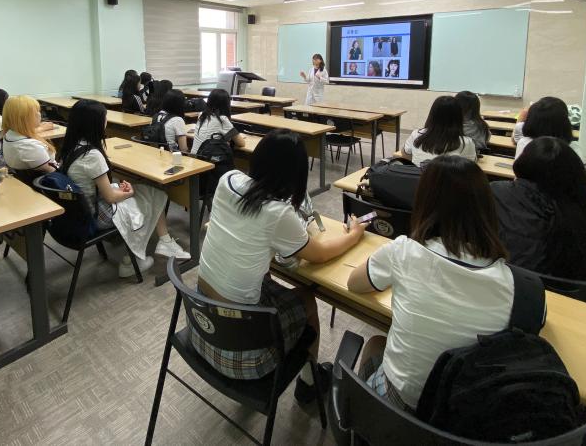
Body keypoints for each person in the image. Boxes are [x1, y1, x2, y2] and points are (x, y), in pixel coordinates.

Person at [194, 130, 368, 401]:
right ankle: (309, 385)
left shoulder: (228, 179)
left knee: (268, 281)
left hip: (203, 327)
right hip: (244, 355)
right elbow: (319, 254)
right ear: (295, 176)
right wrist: (354, 235)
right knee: (308, 298)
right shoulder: (277, 212)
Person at [347, 155, 524, 411]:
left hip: (399, 413)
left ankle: (365, 419)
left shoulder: (404, 252)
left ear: (423, 202)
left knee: (375, 343)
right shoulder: (515, 283)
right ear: (486, 207)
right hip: (463, 419)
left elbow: (354, 283)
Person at [59, 100, 189, 277]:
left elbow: (100, 188)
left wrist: (123, 190)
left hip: (81, 211)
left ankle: (163, 242)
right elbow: (111, 197)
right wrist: (131, 192)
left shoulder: (70, 147)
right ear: (94, 123)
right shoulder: (92, 155)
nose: (106, 121)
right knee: (155, 193)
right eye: (104, 118)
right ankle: (135, 258)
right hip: (96, 215)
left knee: (150, 191)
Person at [492, 137, 586, 280]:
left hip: (504, 286)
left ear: (522, 164)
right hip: (568, 297)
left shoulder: (495, 193)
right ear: (577, 174)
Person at [403, 96, 477, 165]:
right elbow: (470, 166)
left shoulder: (416, 134)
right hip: (448, 178)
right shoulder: (466, 142)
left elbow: (405, 154)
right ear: (459, 117)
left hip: (418, 177)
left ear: (432, 115)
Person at [513, 96, 583, 160]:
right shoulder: (573, 149)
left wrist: (522, 116)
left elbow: (516, 135)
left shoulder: (523, 142)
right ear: (565, 123)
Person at [1, 95, 57, 173]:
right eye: (36, 111)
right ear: (24, 118)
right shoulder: (30, 146)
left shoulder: (10, 133)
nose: (39, 114)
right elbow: (52, 170)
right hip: (47, 179)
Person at [191, 89, 246, 154]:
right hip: (207, 159)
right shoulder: (222, 119)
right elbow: (241, 143)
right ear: (226, 104)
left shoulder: (201, 115)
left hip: (193, 156)